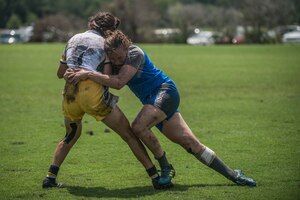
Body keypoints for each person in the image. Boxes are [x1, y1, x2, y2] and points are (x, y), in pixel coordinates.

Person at [65, 30, 257, 187]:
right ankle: (234, 175)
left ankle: (165, 167)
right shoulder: (113, 60)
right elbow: (105, 78)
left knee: (139, 126)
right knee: (191, 144)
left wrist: (86, 74)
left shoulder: (134, 53)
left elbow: (118, 82)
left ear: (125, 46)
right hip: (152, 101)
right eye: (112, 59)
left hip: (165, 92)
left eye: (118, 57)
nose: (116, 61)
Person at [42, 12, 166, 190]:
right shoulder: (106, 45)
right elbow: (109, 75)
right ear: (109, 30)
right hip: (92, 94)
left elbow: (60, 73)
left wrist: (74, 71)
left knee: (70, 135)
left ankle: (50, 177)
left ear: (92, 24)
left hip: (70, 94)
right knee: (129, 135)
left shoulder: (73, 38)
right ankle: (155, 176)